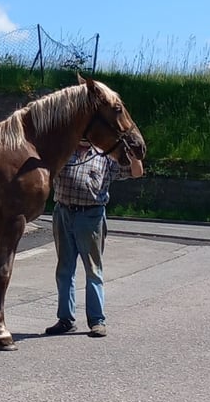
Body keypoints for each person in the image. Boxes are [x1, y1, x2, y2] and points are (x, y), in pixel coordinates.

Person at [45, 138, 144, 337]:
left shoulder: (105, 155)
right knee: (64, 269)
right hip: (63, 212)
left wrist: (134, 157)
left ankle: (97, 321)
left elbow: (136, 172)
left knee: (93, 270)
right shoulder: (63, 150)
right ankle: (65, 320)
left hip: (91, 216)